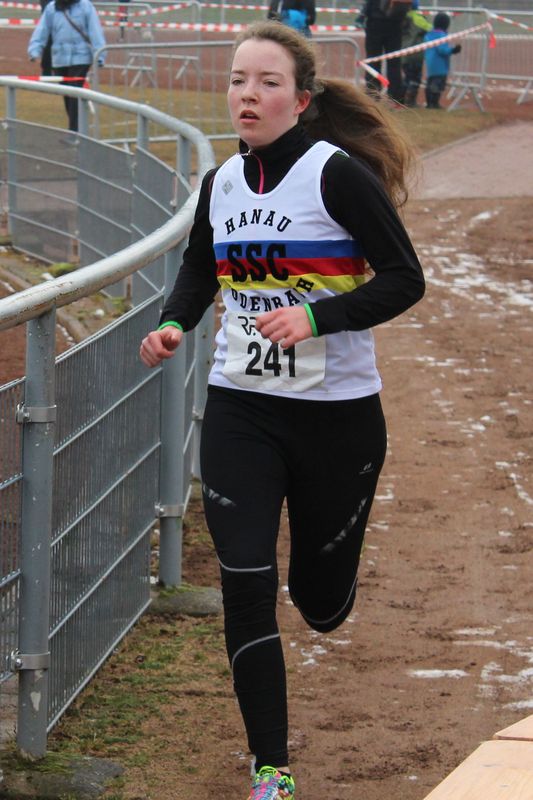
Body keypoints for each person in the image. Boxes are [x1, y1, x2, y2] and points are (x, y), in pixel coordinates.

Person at [140, 20, 425, 800]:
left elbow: (404, 279)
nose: (248, 94)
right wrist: (173, 324)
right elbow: (200, 268)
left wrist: (316, 317)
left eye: (267, 83)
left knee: (318, 604)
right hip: (242, 409)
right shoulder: (221, 184)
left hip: (336, 418)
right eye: (238, 80)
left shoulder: (336, 176)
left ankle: (326, 586)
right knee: (243, 579)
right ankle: (271, 769)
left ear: (300, 100)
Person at [28, 0, 106, 132]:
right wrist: (34, 50)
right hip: (59, 59)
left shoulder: (86, 6)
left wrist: (100, 55)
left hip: (81, 58)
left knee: (75, 94)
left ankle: (75, 131)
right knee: (68, 96)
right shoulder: (52, 8)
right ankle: (76, 129)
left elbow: (95, 31)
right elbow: (42, 30)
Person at [358, 0, 412, 104]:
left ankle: (373, 94)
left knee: (373, 61)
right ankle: (396, 97)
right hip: (396, 23)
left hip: (375, 22)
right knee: (394, 62)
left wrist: (362, 15)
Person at [423, 11, 462, 109]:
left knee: (430, 83)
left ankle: (429, 103)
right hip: (440, 65)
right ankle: (434, 104)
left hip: (430, 64)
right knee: (437, 85)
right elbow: (443, 50)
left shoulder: (428, 35)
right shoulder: (442, 35)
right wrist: (453, 50)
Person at [401, 0, 431, 107]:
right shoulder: (417, 18)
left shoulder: (401, 17)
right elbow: (429, 28)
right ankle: (411, 101)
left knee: (406, 77)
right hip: (415, 55)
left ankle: (401, 99)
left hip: (403, 54)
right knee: (415, 78)